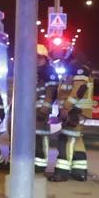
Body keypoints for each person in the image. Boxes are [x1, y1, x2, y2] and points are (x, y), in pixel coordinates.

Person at [49, 51, 94, 182]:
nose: (60, 63)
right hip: (75, 111)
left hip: (75, 112)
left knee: (65, 139)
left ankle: (61, 173)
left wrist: (66, 108)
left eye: (60, 61)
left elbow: (78, 92)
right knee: (76, 140)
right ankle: (80, 172)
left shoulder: (80, 71)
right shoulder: (74, 71)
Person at [35, 45, 59, 174]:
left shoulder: (49, 73)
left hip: (40, 112)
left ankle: (40, 164)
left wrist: (44, 110)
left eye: (40, 58)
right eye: (36, 57)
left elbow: (51, 93)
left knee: (41, 137)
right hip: (30, 112)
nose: (38, 60)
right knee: (31, 138)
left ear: (46, 58)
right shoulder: (32, 71)